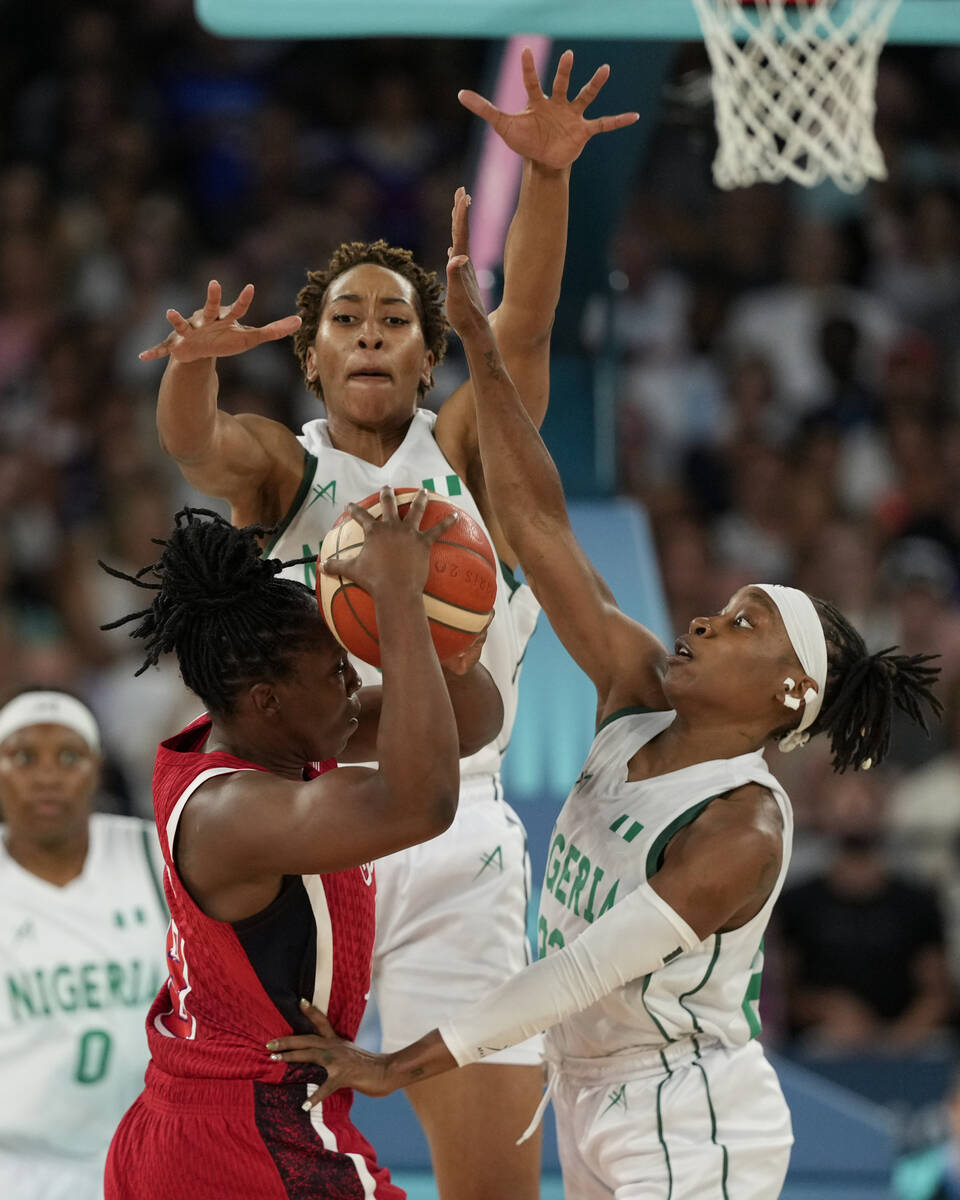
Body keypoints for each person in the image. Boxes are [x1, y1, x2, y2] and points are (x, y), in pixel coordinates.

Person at [265, 190, 944, 1200]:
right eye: (725, 606)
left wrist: (392, 1066)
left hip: (692, 1104)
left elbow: (575, 977)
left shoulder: (743, 825)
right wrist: (482, 347)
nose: (710, 619)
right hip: (590, 1092)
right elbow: (537, 523)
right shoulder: (637, 691)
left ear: (790, 693)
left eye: (746, 623)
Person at [138, 48, 638, 1199]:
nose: (371, 333)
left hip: (454, 840)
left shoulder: (465, 447)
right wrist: (193, 371)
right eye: (348, 320)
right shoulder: (281, 467)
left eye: (397, 320)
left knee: (490, 1185)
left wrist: (549, 181)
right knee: (266, 1143)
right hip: (308, 828)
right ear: (310, 355)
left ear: (427, 354)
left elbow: (530, 329)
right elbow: (193, 442)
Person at [101, 495, 503, 1199]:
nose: (356, 684)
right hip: (249, 1132)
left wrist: (448, 642)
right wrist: (403, 603)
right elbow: (425, 801)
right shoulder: (232, 812)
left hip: (212, 1121)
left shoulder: (284, 736)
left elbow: (469, 728)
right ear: (266, 700)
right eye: (337, 673)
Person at [0, 687, 168, 1200]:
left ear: (96, 768)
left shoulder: (152, 854)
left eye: (69, 756)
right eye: (23, 757)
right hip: (20, 1167)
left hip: (160, 1155)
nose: (47, 776)